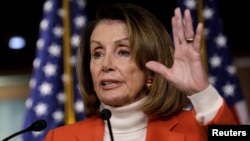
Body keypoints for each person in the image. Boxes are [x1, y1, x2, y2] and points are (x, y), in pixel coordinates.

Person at [44, 2, 237, 141]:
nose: (106, 64)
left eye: (123, 52)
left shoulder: (196, 129)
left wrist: (202, 93)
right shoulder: (60, 137)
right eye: (97, 53)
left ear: (151, 68)